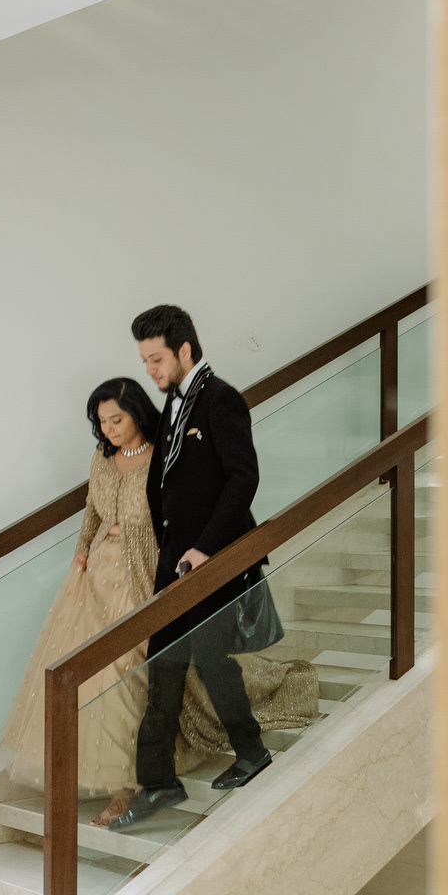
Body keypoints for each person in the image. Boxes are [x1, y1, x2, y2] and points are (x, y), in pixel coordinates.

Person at [3, 375, 310, 827]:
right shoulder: (102, 458)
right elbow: (92, 508)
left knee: (131, 673)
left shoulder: (165, 456)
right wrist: (83, 548)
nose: (108, 429)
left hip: (147, 572)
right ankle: (122, 776)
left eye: (117, 419)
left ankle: (133, 783)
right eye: (101, 421)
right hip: (96, 578)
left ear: (138, 414)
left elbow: (195, 507)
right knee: (88, 675)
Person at [109, 303, 276, 829]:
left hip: (214, 558)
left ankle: (251, 752)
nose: (150, 370)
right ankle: (159, 781)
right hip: (176, 561)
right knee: (165, 663)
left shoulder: (221, 399)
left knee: (209, 658)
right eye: (144, 361)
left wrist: (204, 548)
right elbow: (167, 481)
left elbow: (243, 478)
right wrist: (169, 547)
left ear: (185, 349)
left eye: (157, 359)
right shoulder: (174, 403)